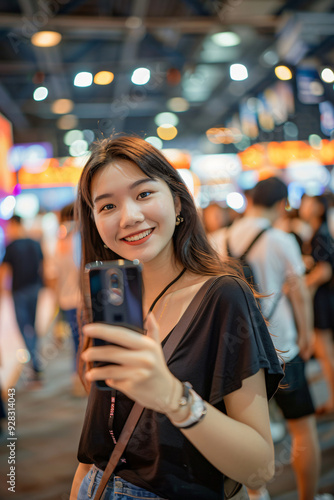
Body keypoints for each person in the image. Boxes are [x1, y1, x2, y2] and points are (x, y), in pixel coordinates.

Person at [70, 136, 283, 500]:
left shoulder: (222, 296)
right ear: (95, 222)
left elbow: (260, 467)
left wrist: (172, 396)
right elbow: (96, 451)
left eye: (143, 194)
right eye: (107, 206)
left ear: (178, 201)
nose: (129, 217)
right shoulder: (111, 302)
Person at [210, 177, 326, 500]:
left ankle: (257, 496)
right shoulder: (280, 239)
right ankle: (308, 497)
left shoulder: (219, 239)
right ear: (279, 205)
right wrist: (306, 334)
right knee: (303, 430)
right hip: (283, 348)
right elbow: (299, 293)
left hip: (239, 356)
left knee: (248, 441)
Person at [299, 194, 334, 415]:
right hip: (325, 299)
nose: (304, 206)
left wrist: (305, 285)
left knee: (325, 352)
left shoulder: (320, 234)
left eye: (309, 202)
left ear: (318, 208)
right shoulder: (319, 231)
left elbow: (324, 270)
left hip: (322, 301)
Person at [0, 215, 44, 384]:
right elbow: (43, 267)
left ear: (14, 225)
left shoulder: (11, 246)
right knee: (32, 327)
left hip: (19, 292)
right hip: (35, 289)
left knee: (23, 328)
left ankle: (35, 364)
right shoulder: (35, 243)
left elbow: (4, 272)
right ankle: (35, 361)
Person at [52, 202, 84, 396]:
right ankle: (83, 380)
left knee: (76, 341)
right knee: (85, 340)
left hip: (66, 300)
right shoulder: (80, 238)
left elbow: (52, 275)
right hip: (83, 300)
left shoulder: (59, 240)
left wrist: (57, 303)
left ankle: (77, 379)